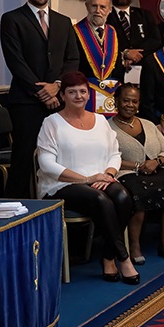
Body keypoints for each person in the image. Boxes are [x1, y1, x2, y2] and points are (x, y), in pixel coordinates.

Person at [35, 71, 137, 284]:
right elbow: (47, 164)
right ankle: (123, 258)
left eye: (82, 91)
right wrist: (86, 179)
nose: (78, 96)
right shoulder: (51, 123)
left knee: (123, 196)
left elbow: (114, 154)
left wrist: (109, 174)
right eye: (72, 92)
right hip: (62, 184)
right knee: (100, 199)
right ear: (63, 96)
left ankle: (108, 256)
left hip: (100, 178)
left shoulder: (101, 121)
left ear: (89, 95)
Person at [1, 0, 80, 198]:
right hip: (26, 102)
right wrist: (42, 91)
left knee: (60, 156)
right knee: (24, 159)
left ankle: (59, 205)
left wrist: (57, 85)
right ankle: (17, 212)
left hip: (59, 101)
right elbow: (15, 61)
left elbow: (72, 58)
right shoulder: (12, 19)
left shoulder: (64, 22)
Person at [108, 84, 164, 263]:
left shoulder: (149, 125)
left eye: (134, 101)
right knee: (137, 194)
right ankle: (134, 246)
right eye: (125, 100)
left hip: (156, 170)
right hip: (126, 173)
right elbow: (107, 158)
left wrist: (157, 161)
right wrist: (138, 165)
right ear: (116, 101)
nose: (130, 105)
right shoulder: (107, 128)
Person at [73, 0, 125, 117]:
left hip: (110, 96)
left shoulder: (113, 32)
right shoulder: (75, 31)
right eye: (94, 6)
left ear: (110, 10)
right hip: (85, 95)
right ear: (87, 6)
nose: (98, 11)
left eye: (102, 7)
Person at [106, 0, 161, 68]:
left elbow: (156, 40)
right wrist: (125, 53)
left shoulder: (144, 14)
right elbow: (104, 43)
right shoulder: (106, 16)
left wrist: (136, 55)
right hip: (116, 68)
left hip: (144, 67)